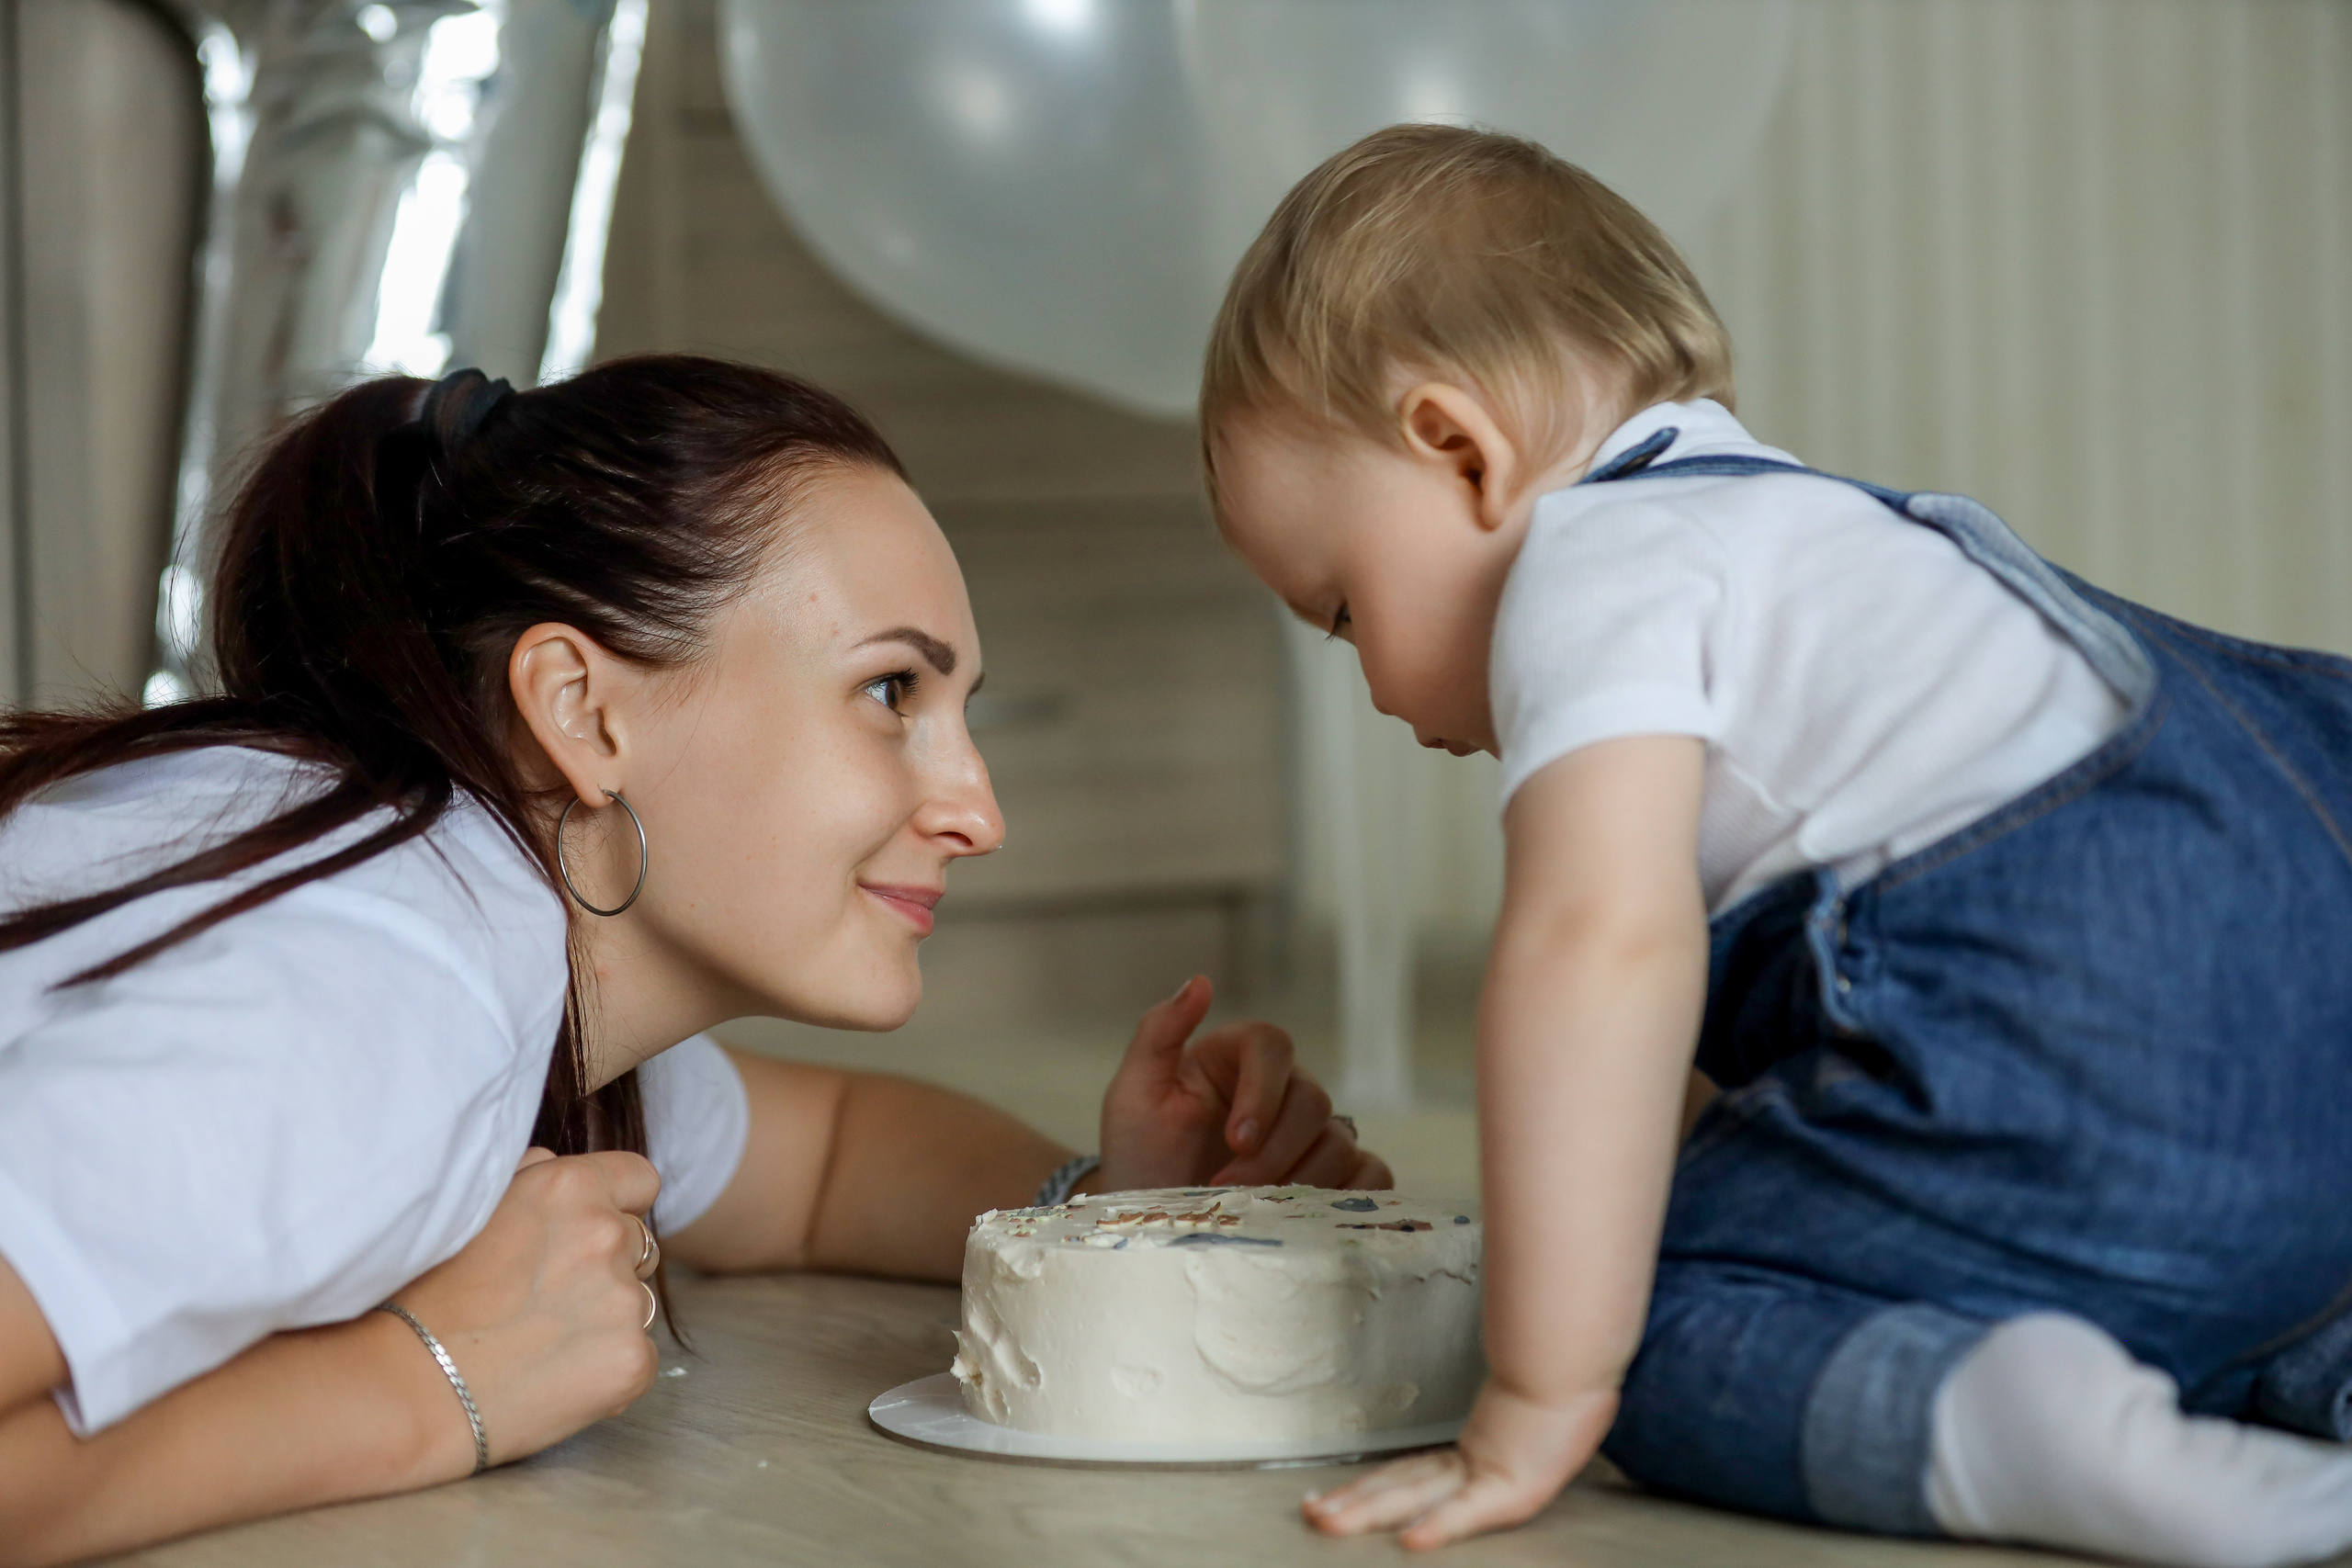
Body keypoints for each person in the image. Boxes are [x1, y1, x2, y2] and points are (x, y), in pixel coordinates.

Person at [0, 355, 1385, 1566]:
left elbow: (824, 1161)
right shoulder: (374, 1001)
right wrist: (432, 1386)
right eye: (890, 692)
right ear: (582, 712)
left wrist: (1104, 1215)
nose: (979, 806)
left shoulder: (441, 893)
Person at [1199, 123, 2352, 1565]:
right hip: (2319, 1054)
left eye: (1344, 607)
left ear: (1459, 449)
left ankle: (2025, 1435)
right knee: (2213, 1264)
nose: (1367, 681)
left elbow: (1601, 951)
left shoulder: (1597, 561)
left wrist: (1544, 1387)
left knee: (1657, 1326)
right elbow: (1713, 1055)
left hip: (2088, 1025)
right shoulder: (1835, 550)